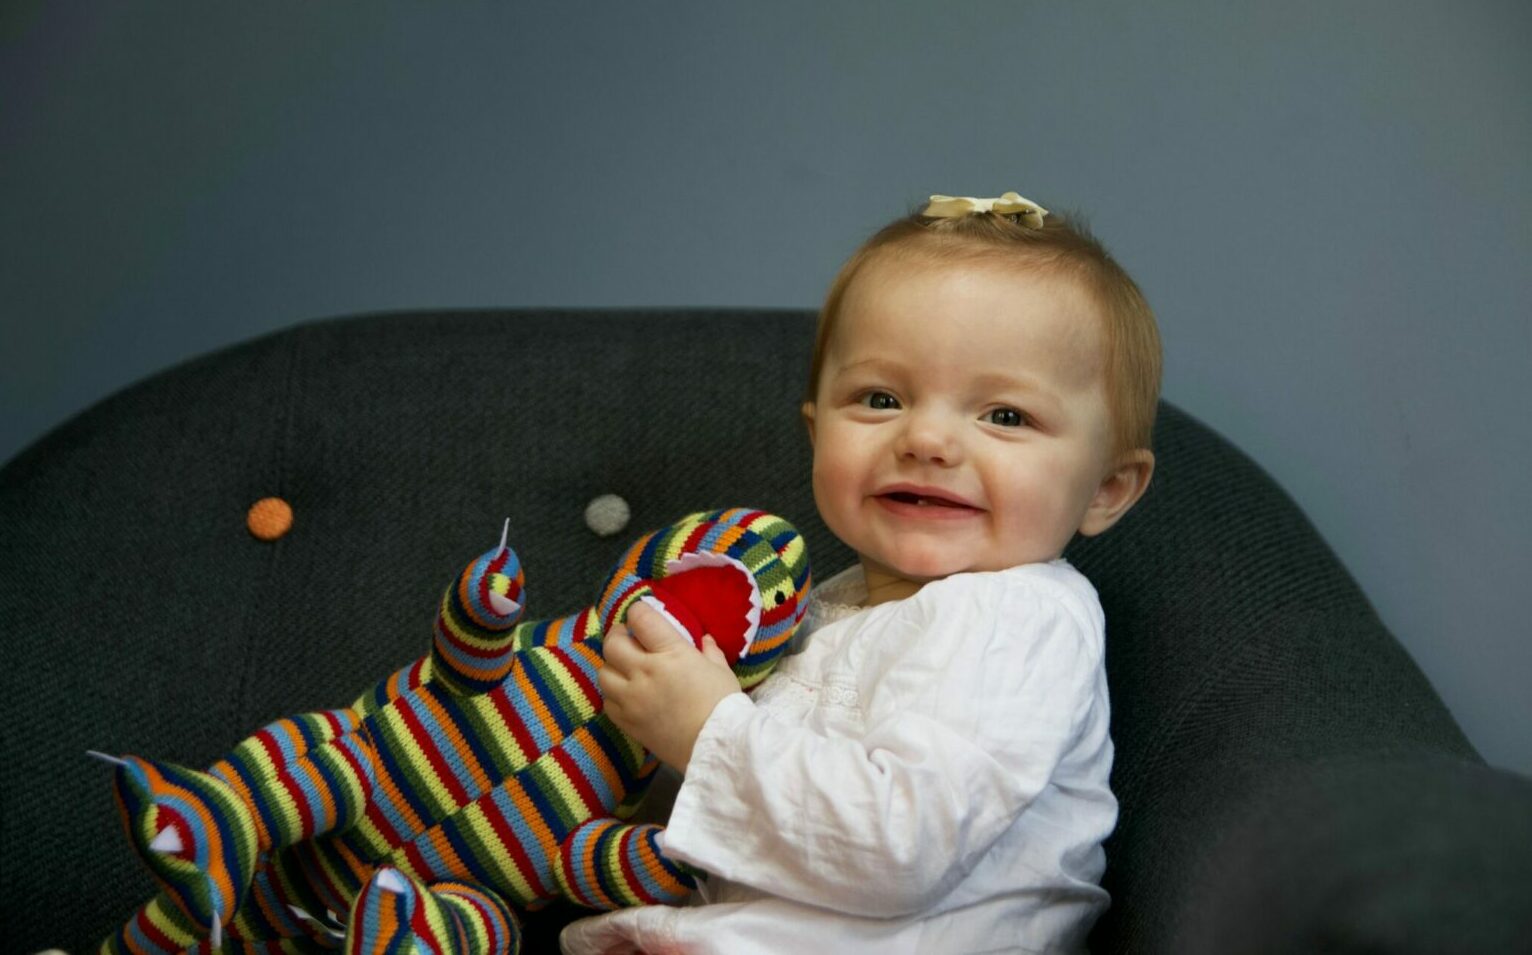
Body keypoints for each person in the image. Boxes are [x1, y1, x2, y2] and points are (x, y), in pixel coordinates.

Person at [562, 190, 1162, 954]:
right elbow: (735, 828)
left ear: (1106, 487)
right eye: (881, 398)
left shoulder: (1019, 617)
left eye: (1005, 415)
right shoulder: (819, 608)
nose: (929, 438)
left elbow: (901, 846)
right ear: (819, 432)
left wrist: (705, 729)